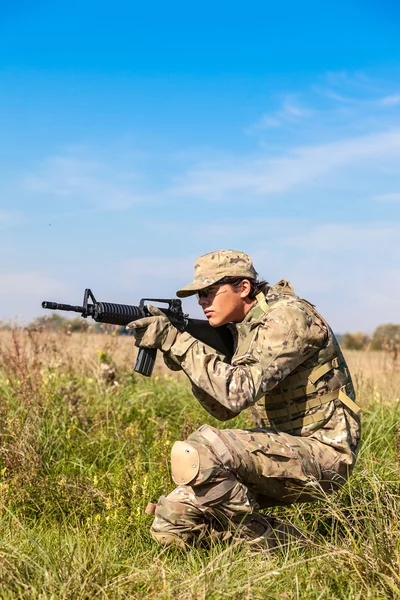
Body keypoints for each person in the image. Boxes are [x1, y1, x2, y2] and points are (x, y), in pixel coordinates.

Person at [128, 250, 361, 548]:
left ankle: (281, 546)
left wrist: (178, 342)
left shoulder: (287, 318)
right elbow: (223, 410)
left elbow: (236, 394)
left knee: (202, 449)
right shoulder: (244, 329)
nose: (202, 302)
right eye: (199, 295)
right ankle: (268, 546)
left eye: (209, 292)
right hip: (283, 450)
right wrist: (183, 358)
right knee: (173, 519)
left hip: (326, 454)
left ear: (244, 287)